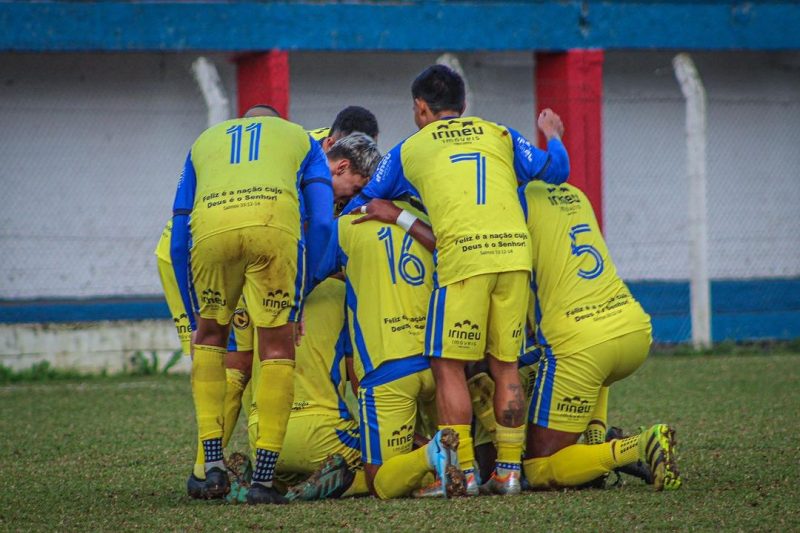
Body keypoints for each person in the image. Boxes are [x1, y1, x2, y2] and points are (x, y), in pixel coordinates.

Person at [344, 64, 569, 495]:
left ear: (420, 107)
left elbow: (370, 195)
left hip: (465, 257)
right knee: (505, 364)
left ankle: (463, 471)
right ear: (463, 106)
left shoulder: (412, 146)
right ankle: (507, 473)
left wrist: (399, 213)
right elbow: (556, 171)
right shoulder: (499, 134)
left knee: (448, 364)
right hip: (515, 254)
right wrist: (553, 134)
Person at [170, 106, 334, 504]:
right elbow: (325, 222)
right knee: (276, 348)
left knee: (210, 338)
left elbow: (178, 232)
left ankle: (211, 468)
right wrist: (304, 286)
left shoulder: (202, 143)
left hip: (210, 232)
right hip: (273, 226)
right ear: (276, 121)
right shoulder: (302, 139)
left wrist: (195, 315)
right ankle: (262, 481)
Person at [517, 181, 681, 491]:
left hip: (583, 341)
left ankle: (641, 444)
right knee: (591, 372)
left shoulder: (513, 203)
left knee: (539, 468)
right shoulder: (573, 192)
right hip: (633, 326)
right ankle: (594, 442)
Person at [312, 199, 462, 500]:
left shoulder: (346, 226)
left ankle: (430, 454)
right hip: (442, 361)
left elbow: (306, 272)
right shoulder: (428, 218)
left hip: (388, 365)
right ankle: (462, 469)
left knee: (379, 481)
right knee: (460, 446)